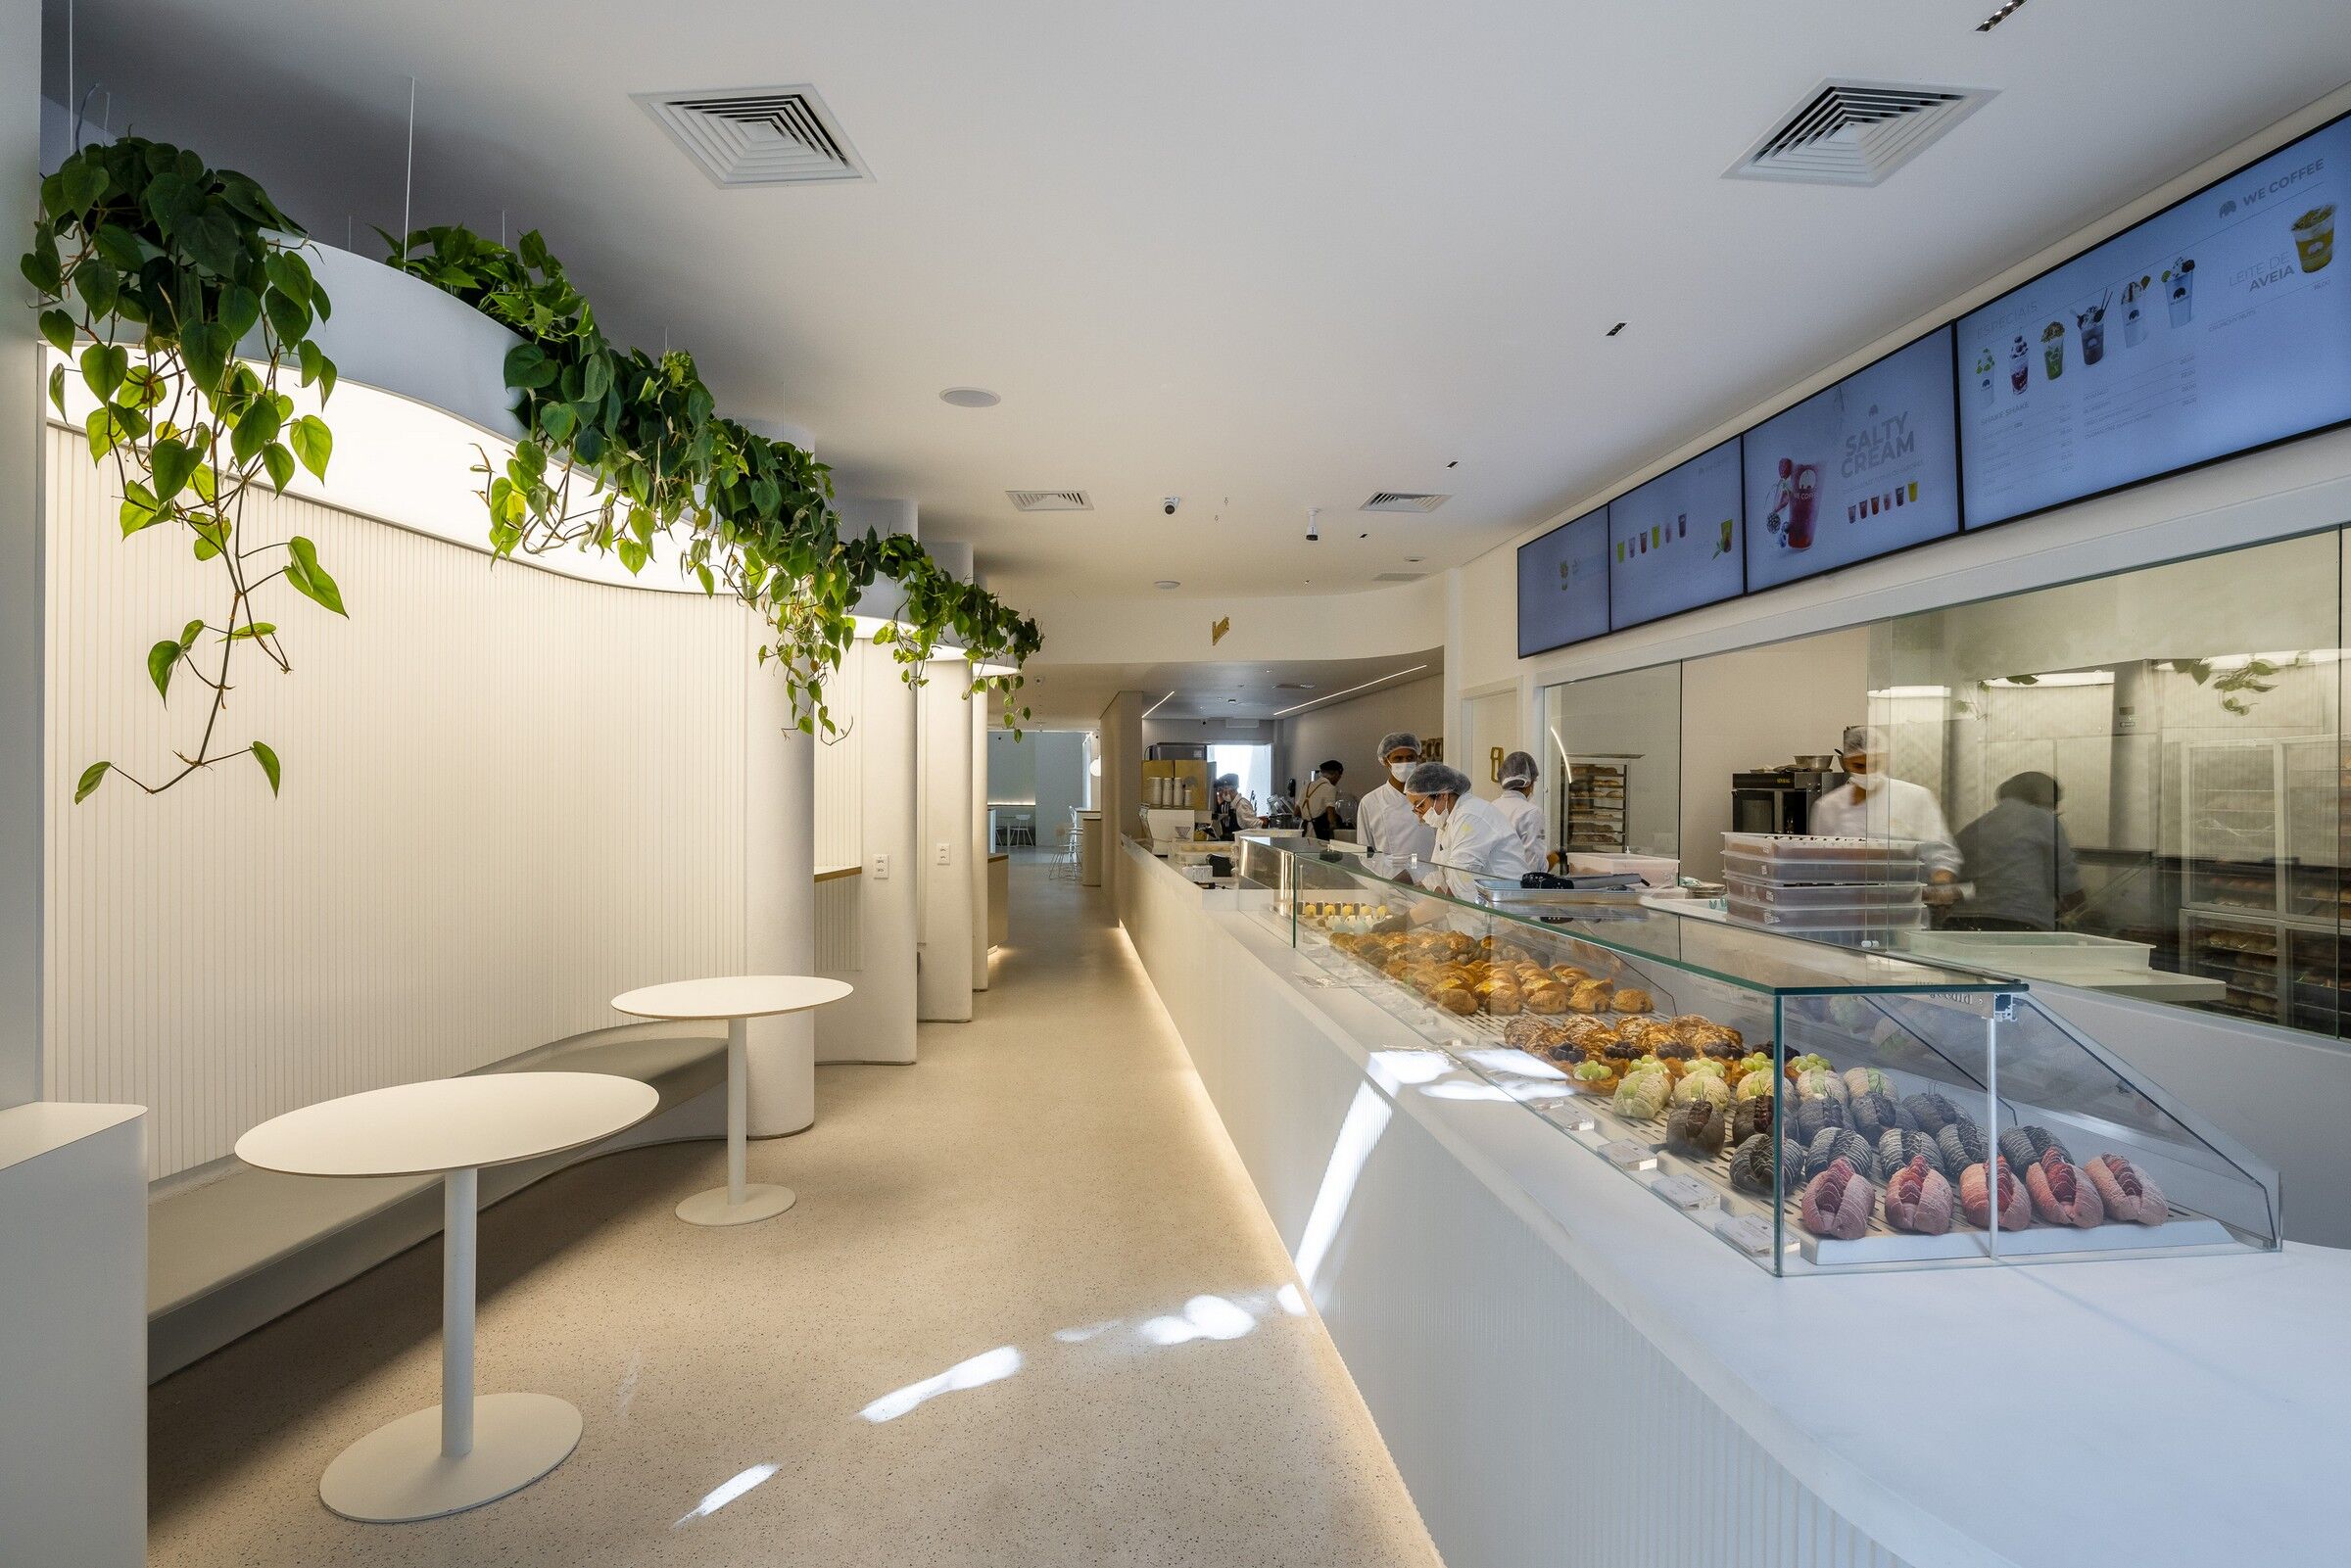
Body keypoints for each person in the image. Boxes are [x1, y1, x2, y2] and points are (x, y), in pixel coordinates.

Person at [1808, 725, 1961, 902]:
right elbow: (1820, 864)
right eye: (1859, 766)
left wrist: (1941, 885)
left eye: (1874, 764)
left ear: (1885, 759)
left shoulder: (1915, 798)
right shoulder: (1828, 807)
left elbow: (1941, 853)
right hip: (1847, 905)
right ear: (1846, 762)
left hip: (1904, 904)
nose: (1867, 772)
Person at [1947, 772, 2083, 931]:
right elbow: (2067, 882)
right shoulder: (2043, 820)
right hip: (2019, 923)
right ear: (2043, 797)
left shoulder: (1973, 829)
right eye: (2054, 802)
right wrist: (2084, 914)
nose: (2056, 809)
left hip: (1961, 922)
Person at [1406, 759, 1535, 900]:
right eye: (1414, 809)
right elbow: (1440, 874)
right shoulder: (1446, 821)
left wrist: (1413, 914)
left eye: (1420, 805)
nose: (1419, 815)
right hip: (1483, 904)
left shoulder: (1471, 816)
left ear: (1443, 795)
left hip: (1506, 904)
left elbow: (1459, 881)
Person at [1356, 731, 1438, 864]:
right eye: (1398, 759)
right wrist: (1387, 872)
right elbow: (1364, 853)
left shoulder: (1433, 797)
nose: (1405, 763)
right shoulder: (1370, 802)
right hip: (1390, 873)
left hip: (1429, 872)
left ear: (1417, 759)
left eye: (1410, 758)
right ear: (1386, 761)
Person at [1491, 749, 1549, 870]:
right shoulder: (1531, 812)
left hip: (1491, 878)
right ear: (1530, 783)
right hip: (1517, 880)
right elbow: (1534, 860)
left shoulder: (1492, 807)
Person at [1299, 759, 1344, 841]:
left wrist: (1308, 817)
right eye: (1339, 776)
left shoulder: (1306, 786)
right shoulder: (1330, 788)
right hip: (1317, 833)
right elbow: (1330, 816)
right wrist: (1335, 829)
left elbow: (1296, 812)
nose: (1338, 779)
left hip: (1302, 830)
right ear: (1335, 774)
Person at [1208, 773, 1262, 840]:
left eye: (1220, 790)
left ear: (1227, 789)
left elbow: (1257, 825)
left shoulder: (1242, 804)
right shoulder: (1234, 805)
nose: (1219, 794)